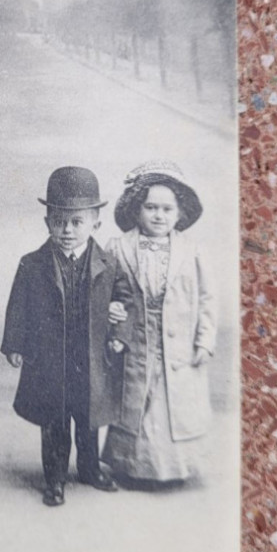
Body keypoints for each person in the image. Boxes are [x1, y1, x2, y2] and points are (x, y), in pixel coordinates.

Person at [1, 167, 134, 506]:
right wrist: (15, 345)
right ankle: (55, 478)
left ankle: (89, 469)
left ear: (95, 225)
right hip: (51, 360)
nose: (67, 230)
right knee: (55, 423)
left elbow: (126, 302)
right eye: (59, 221)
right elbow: (18, 307)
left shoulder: (110, 264)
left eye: (77, 222)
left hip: (90, 360)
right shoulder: (32, 265)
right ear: (47, 222)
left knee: (88, 421)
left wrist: (119, 331)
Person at [101, 160, 216, 486]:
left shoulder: (192, 251)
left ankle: (175, 469)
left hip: (178, 343)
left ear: (179, 213)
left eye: (167, 209)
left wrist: (205, 339)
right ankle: (132, 467)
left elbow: (208, 298)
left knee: (172, 403)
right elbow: (106, 290)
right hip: (136, 339)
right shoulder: (119, 247)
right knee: (138, 399)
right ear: (137, 210)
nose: (158, 215)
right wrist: (112, 310)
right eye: (151, 207)